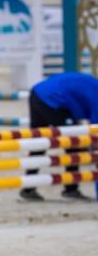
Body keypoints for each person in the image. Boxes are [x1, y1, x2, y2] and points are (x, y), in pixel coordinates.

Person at [20, 71, 98, 202]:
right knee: (74, 142)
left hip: (37, 93)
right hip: (53, 100)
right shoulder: (96, 94)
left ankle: (28, 188)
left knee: (38, 143)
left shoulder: (93, 84)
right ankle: (71, 189)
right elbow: (95, 130)